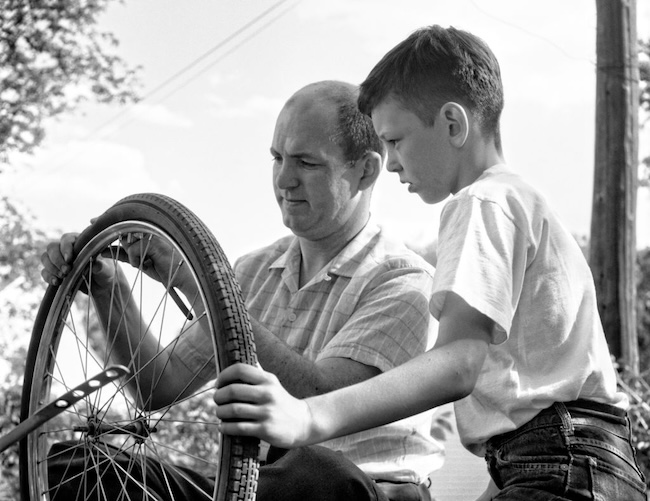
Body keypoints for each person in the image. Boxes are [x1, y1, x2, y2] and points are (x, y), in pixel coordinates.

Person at [213, 27, 648, 500]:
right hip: (580, 461)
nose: (392, 162)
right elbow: (531, 402)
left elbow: (458, 363)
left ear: (452, 124)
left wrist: (309, 417)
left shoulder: (481, 203)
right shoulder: (524, 203)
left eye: (396, 140)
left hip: (563, 464)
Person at [41, 80, 443, 501]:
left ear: (365, 169)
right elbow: (157, 387)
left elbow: (322, 399)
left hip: (357, 490)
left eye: (307, 163)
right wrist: (111, 289)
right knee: (77, 466)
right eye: (277, 157)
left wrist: (199, 286)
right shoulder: (250, 271)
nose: (285, 180)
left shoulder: (403, 283)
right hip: (255, 489)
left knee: (316, 470)